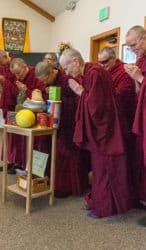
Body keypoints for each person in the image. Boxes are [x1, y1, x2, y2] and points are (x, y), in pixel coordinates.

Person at [60, 48, 132, 218]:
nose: (66, 72)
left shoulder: (94, 73)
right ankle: (102, 202)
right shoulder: (90, 72)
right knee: (100, 169)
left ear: (76, 61)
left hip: (106, 131)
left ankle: (106, 207)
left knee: (105, 169)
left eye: (66, 67)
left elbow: (97, 107)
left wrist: (79, 91)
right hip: (104, 129)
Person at [35, 61, 89, 197]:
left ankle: (68, 187)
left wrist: (59, 99)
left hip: (69, 121)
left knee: (66, 154)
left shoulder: (67, 78)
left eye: (46, 79)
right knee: (55, 152)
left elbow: (79, 99)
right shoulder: (50, 82)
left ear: (52, 72)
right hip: (55, 121)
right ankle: (55, 183)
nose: (45, 83)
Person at [98, 47, 137, 203]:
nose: (102, 65)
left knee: (122, 162)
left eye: (105, 62)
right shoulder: (104, 72)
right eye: (99, 62)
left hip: (123, 123)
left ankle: (123, 197)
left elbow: (120, 97)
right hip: (109, 122)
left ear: (114, 58)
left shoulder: (124, 72)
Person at [9, 58, 45, 169]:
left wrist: (25, 90)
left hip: (37, 114)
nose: (17, 77)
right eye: (15, 74)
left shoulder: (37, 74)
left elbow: (41, 99)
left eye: (18, 73)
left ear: (25, 67)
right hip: (24, 113)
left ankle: (32, 167)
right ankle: (20, 163)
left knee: (34, 142)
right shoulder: (20, 78)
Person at [124, 25, 146, 205]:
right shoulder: (140, 61)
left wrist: (140, 78)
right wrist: (135, 79)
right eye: (129, 47)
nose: (132, 49)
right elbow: (139, 93)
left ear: (144, 37)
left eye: (133, 44)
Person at [0, 48, 18, 174]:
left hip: (16, 104)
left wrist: (3, 81)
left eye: (1, 63)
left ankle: (17, 162)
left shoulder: (16, 65)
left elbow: (17, 86)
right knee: (8, 132)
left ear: (5, 56)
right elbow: (4, 86)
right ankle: (10, 160)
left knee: (16, 133)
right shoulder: (1, 67)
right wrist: (1, 83)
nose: (1, 66)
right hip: (7, 103)